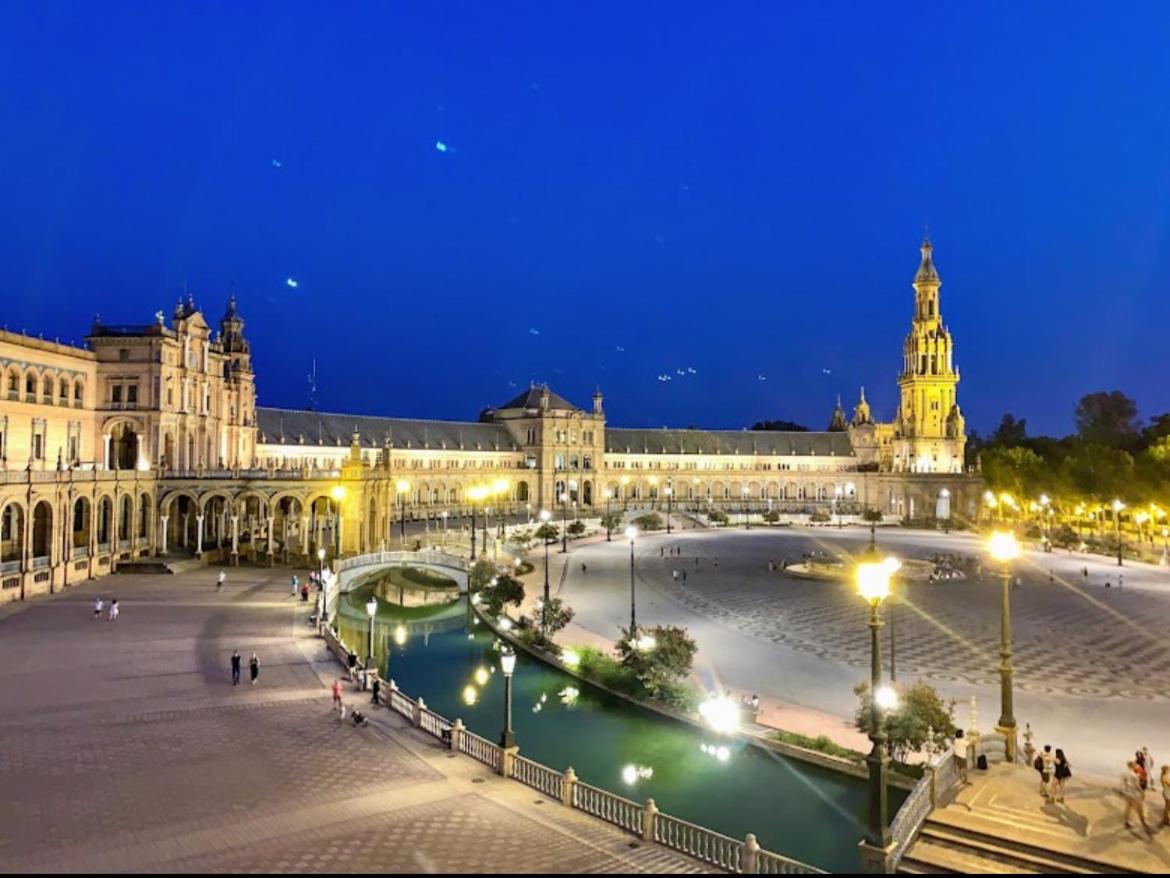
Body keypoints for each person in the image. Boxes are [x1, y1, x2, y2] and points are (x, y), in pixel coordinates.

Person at [1123, 760, 1151, 834]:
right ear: (1132, 766)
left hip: (1127, 793)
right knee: (1140, 809)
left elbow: (1125, 783)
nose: (1136, 766)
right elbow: (1137, 786)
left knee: (1128, 808)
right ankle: (1144, 824)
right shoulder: (1134, 775)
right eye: (1135, 765)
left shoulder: (1124, 773)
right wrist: (1142, 792)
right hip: (1134, 794)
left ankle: (1126, 822)